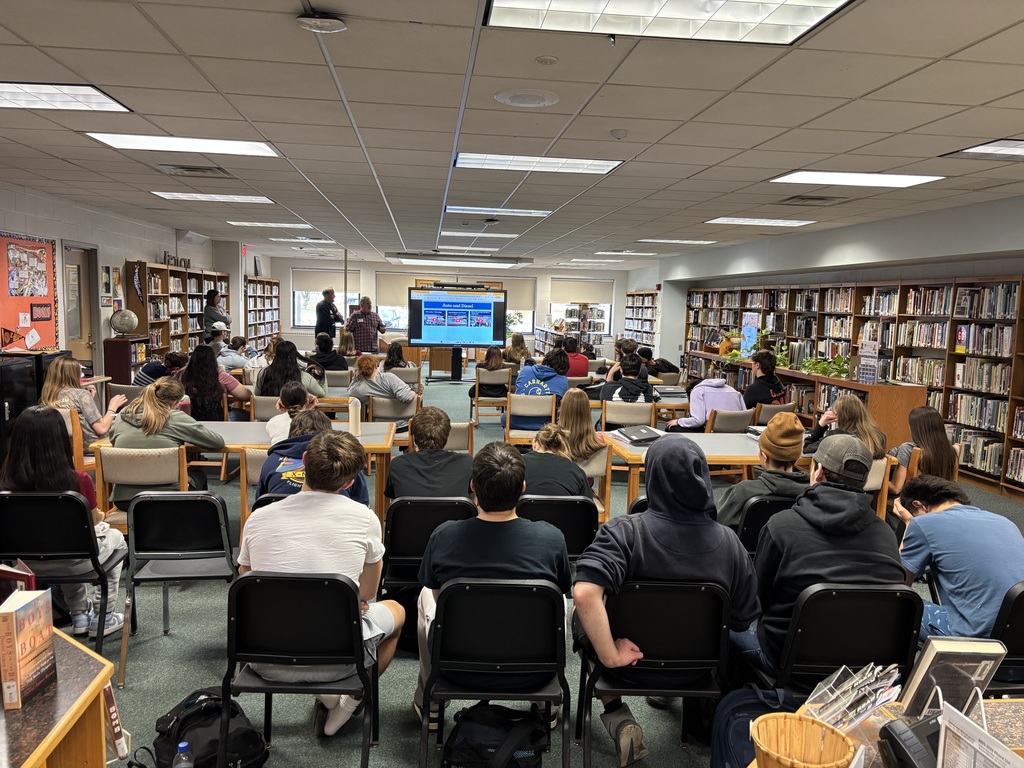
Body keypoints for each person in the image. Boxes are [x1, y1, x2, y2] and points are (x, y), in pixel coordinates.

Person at [573, 435, 758, 767]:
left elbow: (586, 593)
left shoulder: (623, 533)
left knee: (580, 613)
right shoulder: (731, 544)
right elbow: (743, 620)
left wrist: (612, 655)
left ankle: (616, 712)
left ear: (652, 477)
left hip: (627, 669)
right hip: (699, 673)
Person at [239, 430, 404, 737]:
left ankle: (334, 698)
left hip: (263, 657)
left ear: (303, 462)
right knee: (397, 611)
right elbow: (367, 594)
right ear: (350, 482)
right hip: (340, 660)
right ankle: (350, 700)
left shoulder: (258, 517)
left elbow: (246, 586)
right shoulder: (365, 518)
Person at [413, 441, 572, 724]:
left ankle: (431, 700)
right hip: (535, 671)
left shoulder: (444, 535)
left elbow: (438, 597)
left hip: (456, 667)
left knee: (427, 593)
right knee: (557, 597)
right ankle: (546, 703)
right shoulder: (552, 537)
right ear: (523, 488)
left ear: (473, 486)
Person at [732, 435, 904, 675]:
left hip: (787, 658)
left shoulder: (780, 527)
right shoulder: (887, 534)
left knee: (724, 618)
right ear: (864, 481)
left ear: (818, 471)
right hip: (862, 665)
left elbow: (758, 599)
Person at [0, 405, 127, 639]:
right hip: (76, 562)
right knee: (115, 539)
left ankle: (78, 613)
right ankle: (103, 615)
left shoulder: (5, 483)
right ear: (60, 439)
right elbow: (93, 519)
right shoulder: (78, 480)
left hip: (24, 567)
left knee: (65, 543)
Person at [896, 475, 1024, 641]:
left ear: (918, 505)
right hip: (1018, 633)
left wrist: (908, 522)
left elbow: (898, 585)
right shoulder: (1005, 522)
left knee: (901, 604)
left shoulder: (924, 523)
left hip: (975, 636)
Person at [108, 377, 226, 506]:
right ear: (175, 402)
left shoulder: (122, 417)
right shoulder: (175, 418)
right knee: (198, 476)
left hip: (125, 500)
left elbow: (113, 441)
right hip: (169, 498)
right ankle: (191, 521)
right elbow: (217, 443)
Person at [717, 412, 809, 528]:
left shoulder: (742, 491)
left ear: (764, 457)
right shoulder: (814, 491)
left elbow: (718, 527)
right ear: (796, 455)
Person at [257, 409, 369, 505]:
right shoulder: (345, 462)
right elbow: (362, 507)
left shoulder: (270, 462)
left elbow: (260, 504)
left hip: (279, 525)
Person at [384, 406, 472, 499]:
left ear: (414, 438)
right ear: (446, 437)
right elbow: (472, 505)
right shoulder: (466, 463)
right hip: (456, 514)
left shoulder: (398, 465)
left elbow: (394, 504)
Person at [42, 356, 128, 449]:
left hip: (66, 450)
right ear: (74, 375)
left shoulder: (48, 396)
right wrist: (112, 408)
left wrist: (89, 400)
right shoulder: (82, 395)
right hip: (92, 448)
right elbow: (102, 429)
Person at [888, 406, 959, 495]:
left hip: (914, 501)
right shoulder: (950, 450)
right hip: (940, 499)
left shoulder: (908, 449)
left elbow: (896, 488)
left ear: (913, 428)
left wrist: (879, 482)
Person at [176, 344, 252, 421]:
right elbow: (246, 395)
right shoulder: (221, 376)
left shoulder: (180, 375)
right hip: (215, 419)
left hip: (186, 419)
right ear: (213, 360)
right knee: (245, 414)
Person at [503, 348, 571, 431]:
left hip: (516, 420)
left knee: (504, 417)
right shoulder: (562, 380)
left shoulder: (525, 370)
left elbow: (518, 390)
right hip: (546, 424)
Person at [803, 393, 887, 459]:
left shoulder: (835, 438)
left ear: (839, 417)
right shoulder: (879, 437)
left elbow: (806, 449)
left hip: (841, 480)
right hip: (870, 480)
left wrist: (820, 426)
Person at [523, 424, 590, 497]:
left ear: (534, 443)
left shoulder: (518, 465)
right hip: (564, 508)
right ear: (564, 447)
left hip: (524, 508)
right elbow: (588, 506)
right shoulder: (577, 472)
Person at [665, 375, 744, 432]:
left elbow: (698, 421)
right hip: (737, 432)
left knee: (671, 427)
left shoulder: (697, 391)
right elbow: (746, 414)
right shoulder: (734, 390)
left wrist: (679, 421)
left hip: (712, 432)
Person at [254, 340, 327, 398]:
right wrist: (322, 374)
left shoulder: (264, 372)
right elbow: (322, 393)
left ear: (276, 354)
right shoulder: (303, 376)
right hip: (293, 415)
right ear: (295, 355)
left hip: (267, 415)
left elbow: (257, 394)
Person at [558, 388, 606, 464]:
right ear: (587, 411)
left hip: (563, 475)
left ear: (563, 410)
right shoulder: (598, 440)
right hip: (587, 475)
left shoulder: (554, 441)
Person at [347, 354, 416, 406]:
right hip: (401, 422)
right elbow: (407, 397)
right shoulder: (389, 378)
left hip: (377, 422)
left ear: (359, 370)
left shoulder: (359, 390)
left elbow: (350, 391)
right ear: (375, 366)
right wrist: (414, 393)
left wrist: (356, 378)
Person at [266, 380, 317, 445]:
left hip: (281, 455)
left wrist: (284, 414)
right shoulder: (317, 421)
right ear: (307, 402)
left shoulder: (272, 423)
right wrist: (307, 410)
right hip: (308, 454)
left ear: (281, 403)